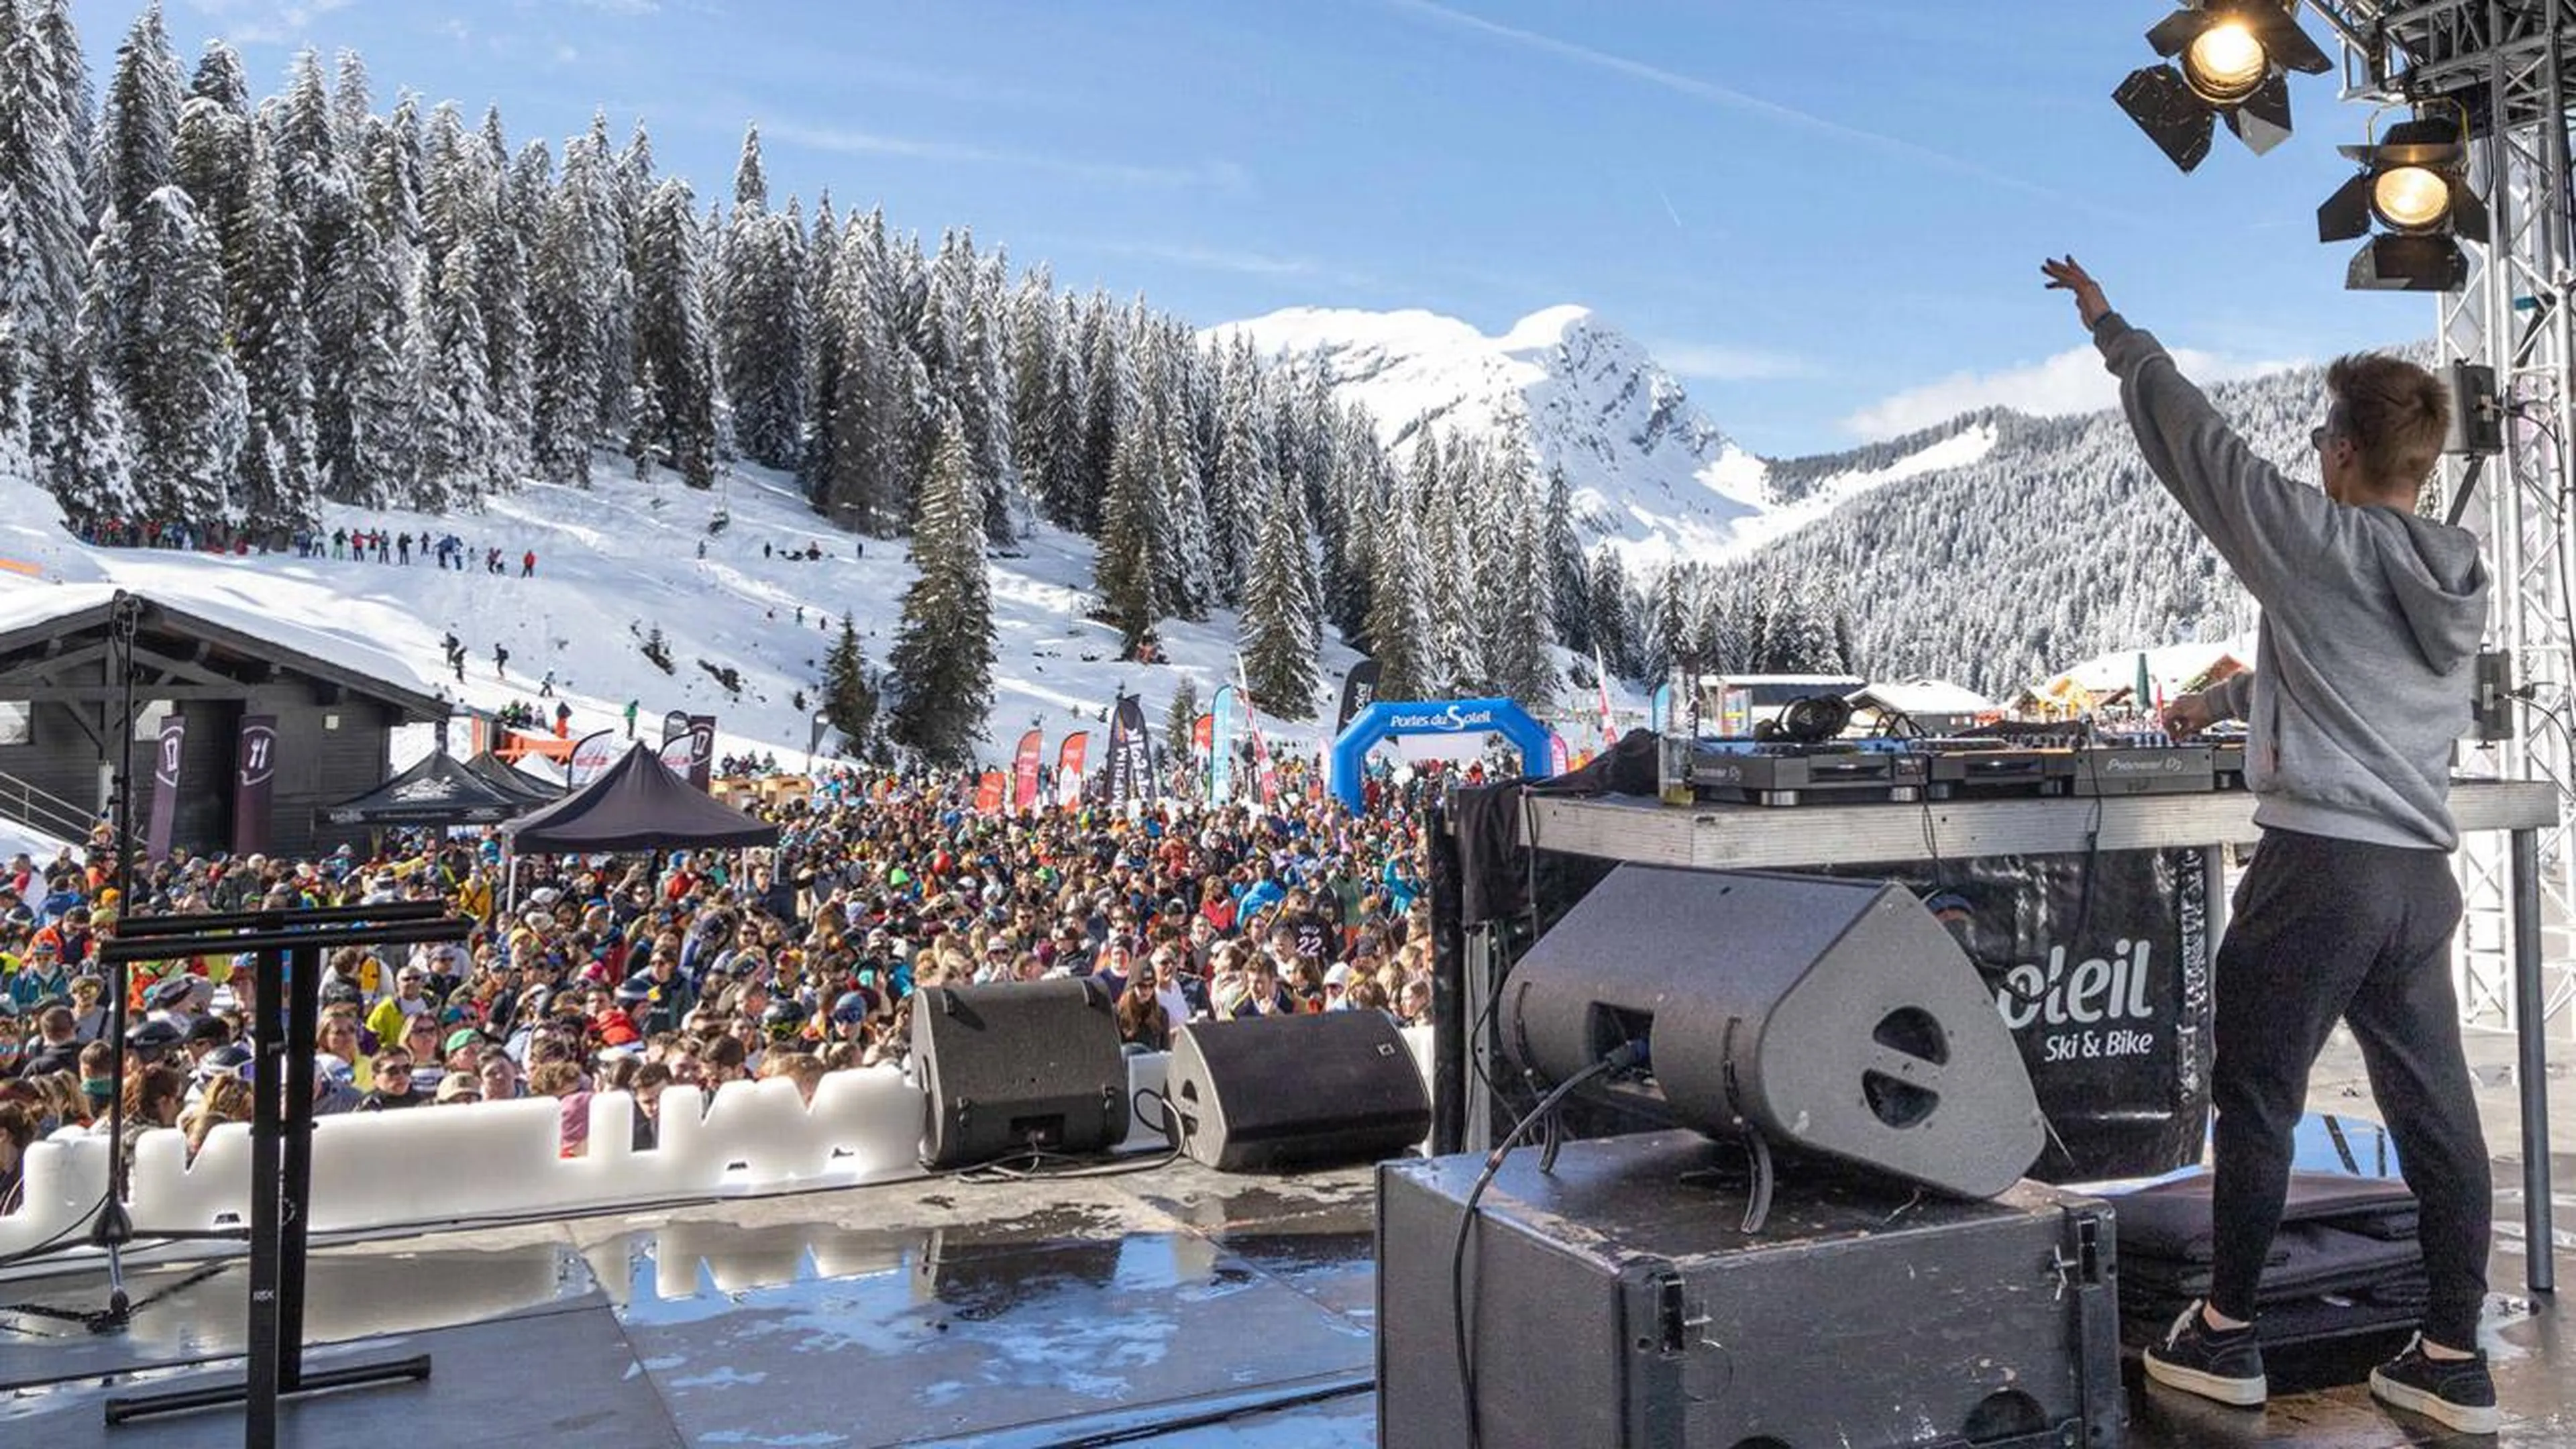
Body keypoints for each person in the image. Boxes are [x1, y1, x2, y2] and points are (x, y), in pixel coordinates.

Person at [2043, 257, 2498, 1434]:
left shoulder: (2318, 540)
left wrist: (2112, 327)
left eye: (2321, 440)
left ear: (2342, 454)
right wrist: (2242, 695)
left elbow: (2197, 447)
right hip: (2415, 880)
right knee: (2438, 1115)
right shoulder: (2450, 576)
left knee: (2256, 1101)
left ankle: (2227, 1337)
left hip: (2320, 871)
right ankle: (2455, 1354)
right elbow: (2356, 675)